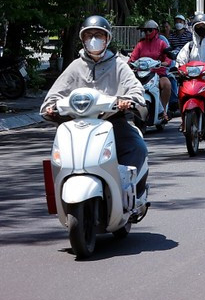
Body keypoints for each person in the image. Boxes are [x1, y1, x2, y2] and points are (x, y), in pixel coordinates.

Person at [40, 16, 148, 197]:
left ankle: (131, 193)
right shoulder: (75, 66)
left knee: (138, 147)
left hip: (112, 123)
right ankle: (60, 195)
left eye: (98, 35)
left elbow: (135, 89)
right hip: (77, 125)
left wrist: (128, 100)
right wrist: (51, 107)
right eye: (89, 36)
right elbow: (55, 94)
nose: (93, 40)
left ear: (107, 39)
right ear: (82, 40)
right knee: (57, 156)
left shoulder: (119, 65)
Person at [128, 19, 173, 121]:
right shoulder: (140, 44)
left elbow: (168, 57)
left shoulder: (162, 43)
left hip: (158, 72)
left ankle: (163, 110)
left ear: (156, 31)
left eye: (149, 30)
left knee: (167, 85)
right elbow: (133, 58)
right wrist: (130, 63)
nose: (147, 33)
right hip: (142, 73)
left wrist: (166, 62)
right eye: (145, 31)